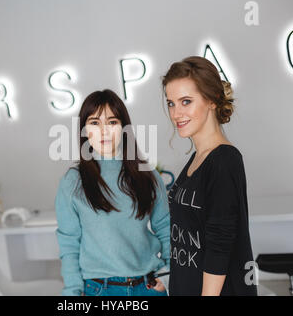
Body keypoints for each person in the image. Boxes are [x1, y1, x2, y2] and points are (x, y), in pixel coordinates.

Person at [55, 89, 170, 296]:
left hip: (149, 286)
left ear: (124, 128)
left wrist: (169, 276)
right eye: (94, 123)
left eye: (112, 122)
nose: (104, 131)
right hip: (100, 290)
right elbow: (69, 244)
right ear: (84, 130)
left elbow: (166, 227)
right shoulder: (73, 181)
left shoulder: (147, 174)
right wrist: (72, 292)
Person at [162, 56, 257, 296]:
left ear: (212, 100)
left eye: (186, 101)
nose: (176, 113)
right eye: (171, 103)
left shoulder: (224, 160)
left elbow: (219, 247)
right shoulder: (197, 158)